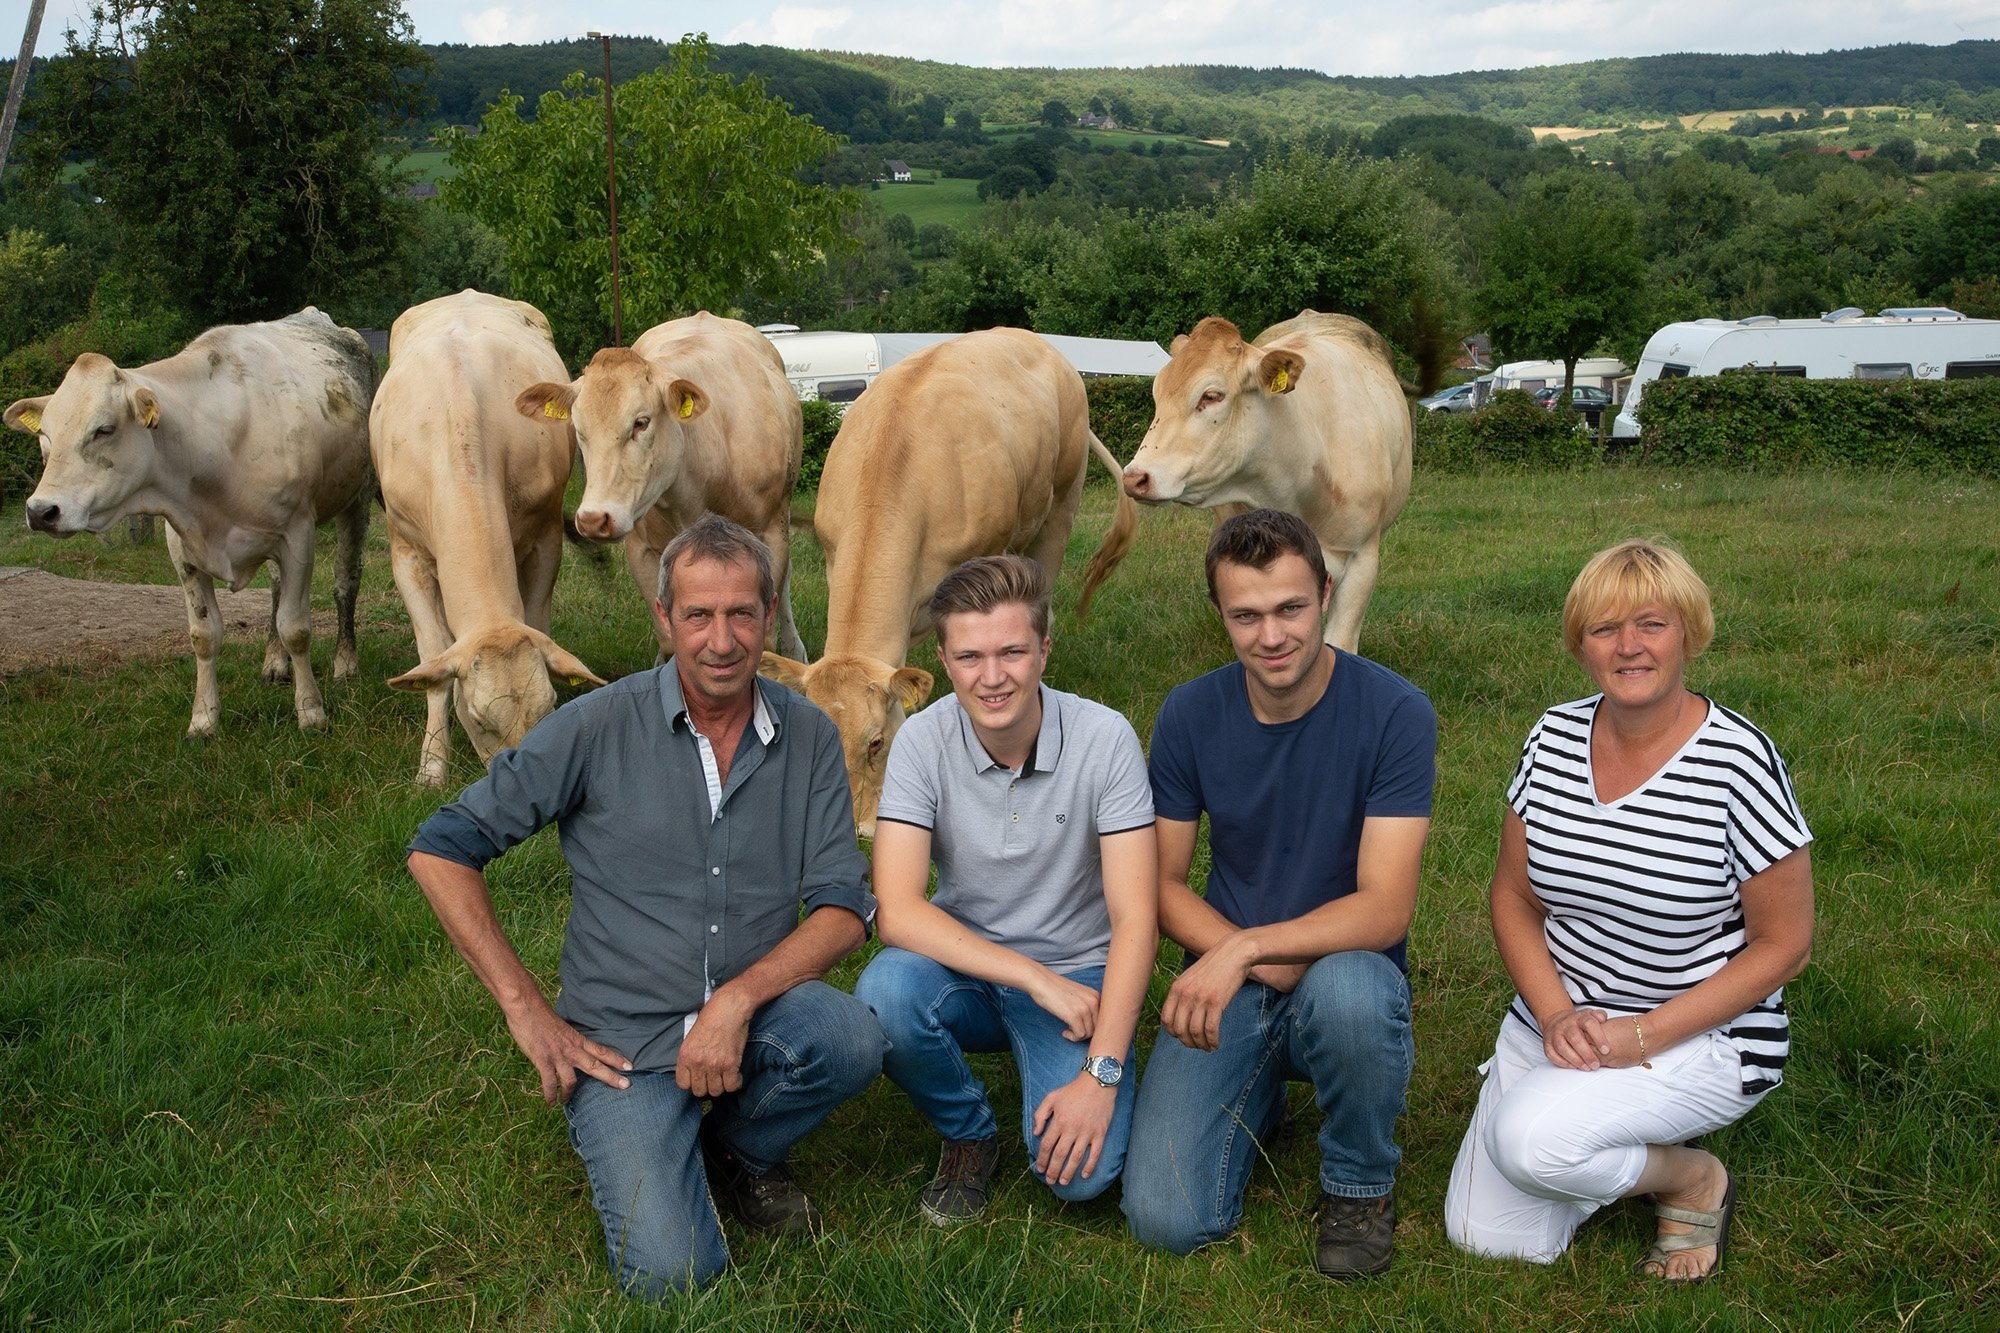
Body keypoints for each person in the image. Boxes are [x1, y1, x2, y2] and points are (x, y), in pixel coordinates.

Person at [405, 515, 887, 1299]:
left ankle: (740, 1145)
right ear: (664, 617)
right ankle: (651, 1134)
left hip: (753, 1016)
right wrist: (526, 1010)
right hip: (622, 1046)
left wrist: (736, 1001)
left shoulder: (806, 732)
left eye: (741, 613)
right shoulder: (596, 724)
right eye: (698, 614)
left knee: (853, 1038)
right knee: (673, 1276)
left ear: (769, 616)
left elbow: (841, 904)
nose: (721, 639)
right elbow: (440, 847)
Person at [1443, 538, 1814, 1282]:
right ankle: (1594, 1139)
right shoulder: (1551, 737)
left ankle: (1691, 1178)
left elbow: (1786, 944)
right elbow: (1513, 895)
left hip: (1697, 1031)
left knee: (1533, 1145)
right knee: (1490, 1237)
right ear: (1580, 645)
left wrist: (1637, 1036)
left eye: (1652, 623)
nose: (1630, 646)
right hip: (1563, 1022)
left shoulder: (1738, 761)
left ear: (1689, 634)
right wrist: (1554, 1016)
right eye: (1605, 628)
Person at [1121, 509, 1437, 1278]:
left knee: (1355, 997)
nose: (1272, 635)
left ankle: (1359, 1183)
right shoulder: (1190, 713)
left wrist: (1248, 945)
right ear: (1222, 616)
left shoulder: (1396, 712)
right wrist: (1240, 957)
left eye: (1291, 607)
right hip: (1233, 983)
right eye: (1247, 615)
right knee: (1167, 1219)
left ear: (1325, 594)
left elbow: (1385, 906)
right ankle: (1260, 1093)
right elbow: (1156, 882)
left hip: (1342, 966)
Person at [855, 555, 1158, 1224]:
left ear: (1045, 649)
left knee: (1081, 1180)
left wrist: (1099, 1075)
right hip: (965, 963)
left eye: (1012, 651)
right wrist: (1030, 977)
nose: (991, 677)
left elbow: (1137, 919)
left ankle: (1089, 1072)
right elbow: (898, 911)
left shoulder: (1105, 739)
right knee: (883, 994)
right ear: (942, 656)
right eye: (969, 657)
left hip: (1079, 977)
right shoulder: (922, 741)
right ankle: (968, 1130)